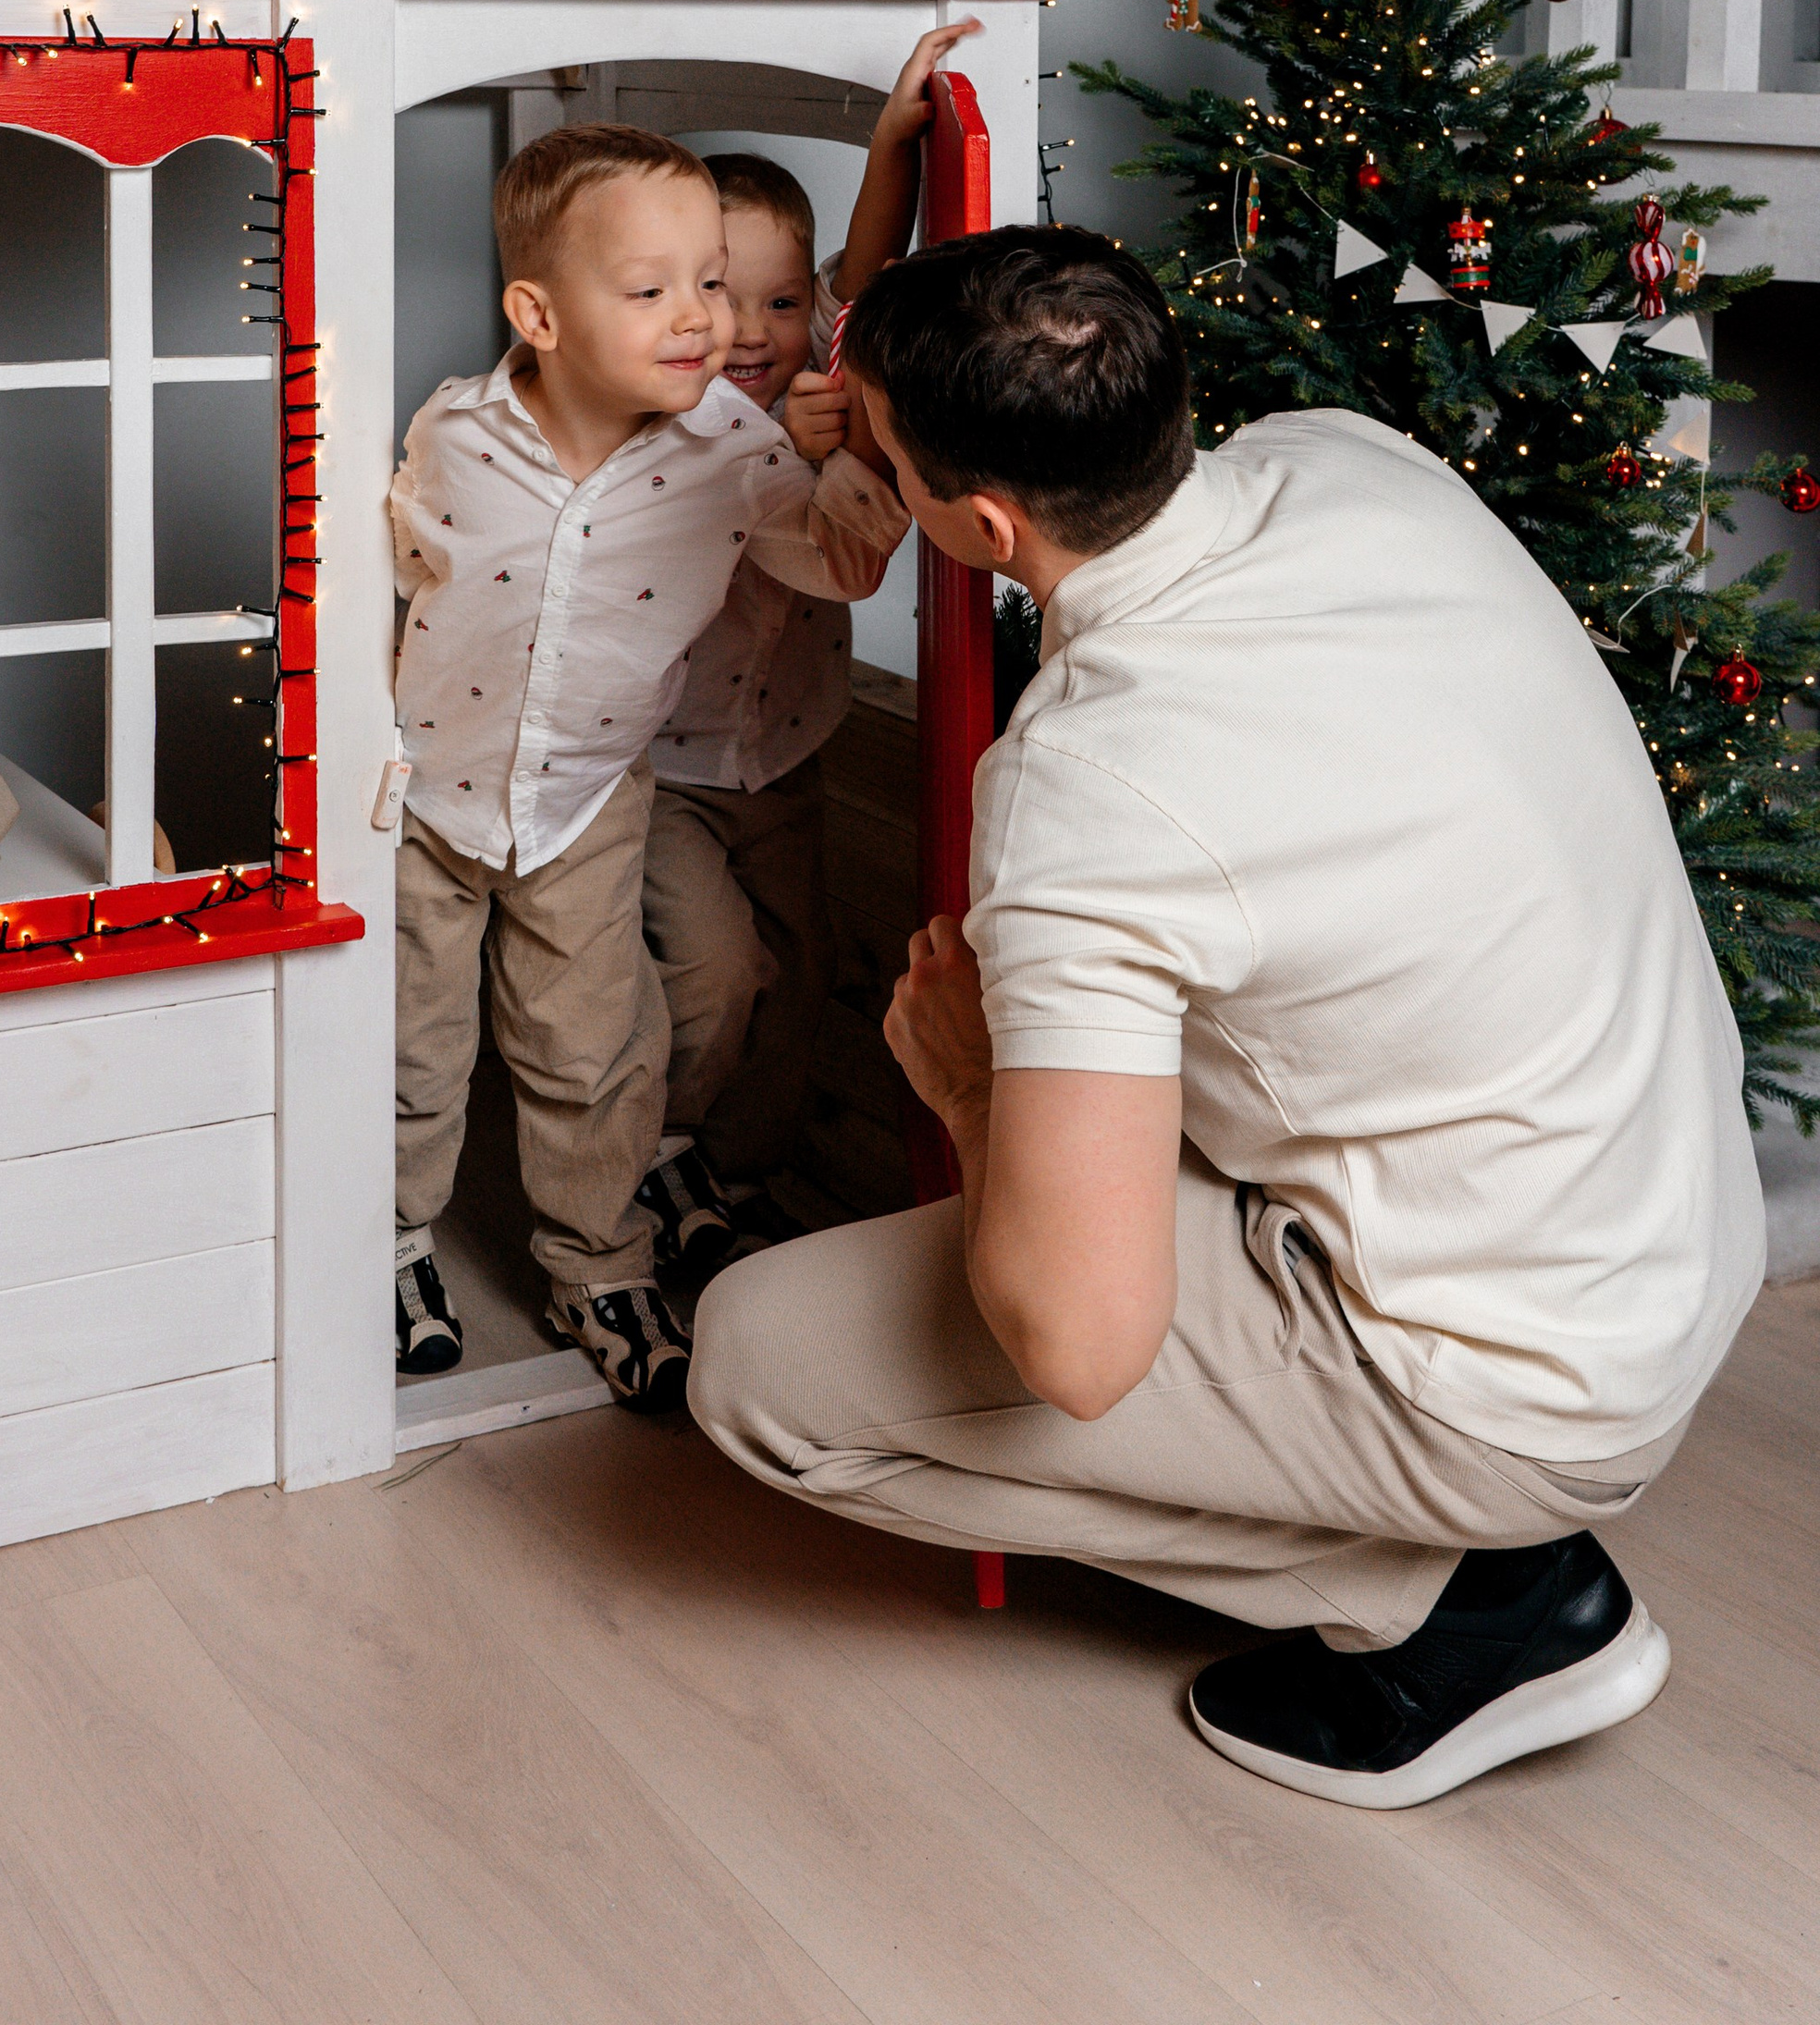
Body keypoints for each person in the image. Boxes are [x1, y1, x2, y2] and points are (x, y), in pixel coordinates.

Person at [689, 225, 1766, 1807]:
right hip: (1666, 1229)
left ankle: (1482, 1606)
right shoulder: (1350, 460)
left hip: (1519, 1380)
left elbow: (1080, 1345)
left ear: (978, 524)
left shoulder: (1088, 789)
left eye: (896, 463)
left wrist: (973, 1086)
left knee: (759, 1367)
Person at [388, 124, 890, 1414]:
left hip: (589, 799)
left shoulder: (737, 453)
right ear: (538, 313)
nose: (703, 318)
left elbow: (835, 561)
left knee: (594, 1046)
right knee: (412, 1042)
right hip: (430, 795)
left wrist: (862, 463)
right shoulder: (457, 433)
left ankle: (599, 1267)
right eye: (653, 287)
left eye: (712, 281)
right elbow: (382, 578)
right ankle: (385, 1242)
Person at [638, 27, 976, 1282]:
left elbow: (871, 269)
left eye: (784, 302)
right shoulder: (666, 414)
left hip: (783, 750)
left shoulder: (819, 356)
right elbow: (796, 529)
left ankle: (740, 1173)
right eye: (720, 297)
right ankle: (655, 1154)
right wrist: (804, 445)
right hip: (664, 767)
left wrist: (893, 141)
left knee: (803, 970)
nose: (753, 328)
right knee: (723, 972)